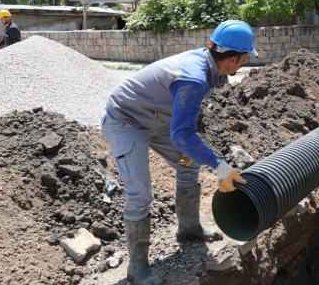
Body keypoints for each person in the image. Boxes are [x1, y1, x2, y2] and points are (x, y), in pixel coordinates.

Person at [101, 19, 257, 285]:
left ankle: (188, 228)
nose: (245, 62)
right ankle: (137, 268)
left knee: (190, 163)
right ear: (233, 59)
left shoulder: (207, 65)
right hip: (125, 121)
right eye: (245, 57)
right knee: (140, 193)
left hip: (157, 118)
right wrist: (221, 167)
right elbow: (182, 133)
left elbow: (188, 116)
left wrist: (190, 149)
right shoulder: (194, 77)